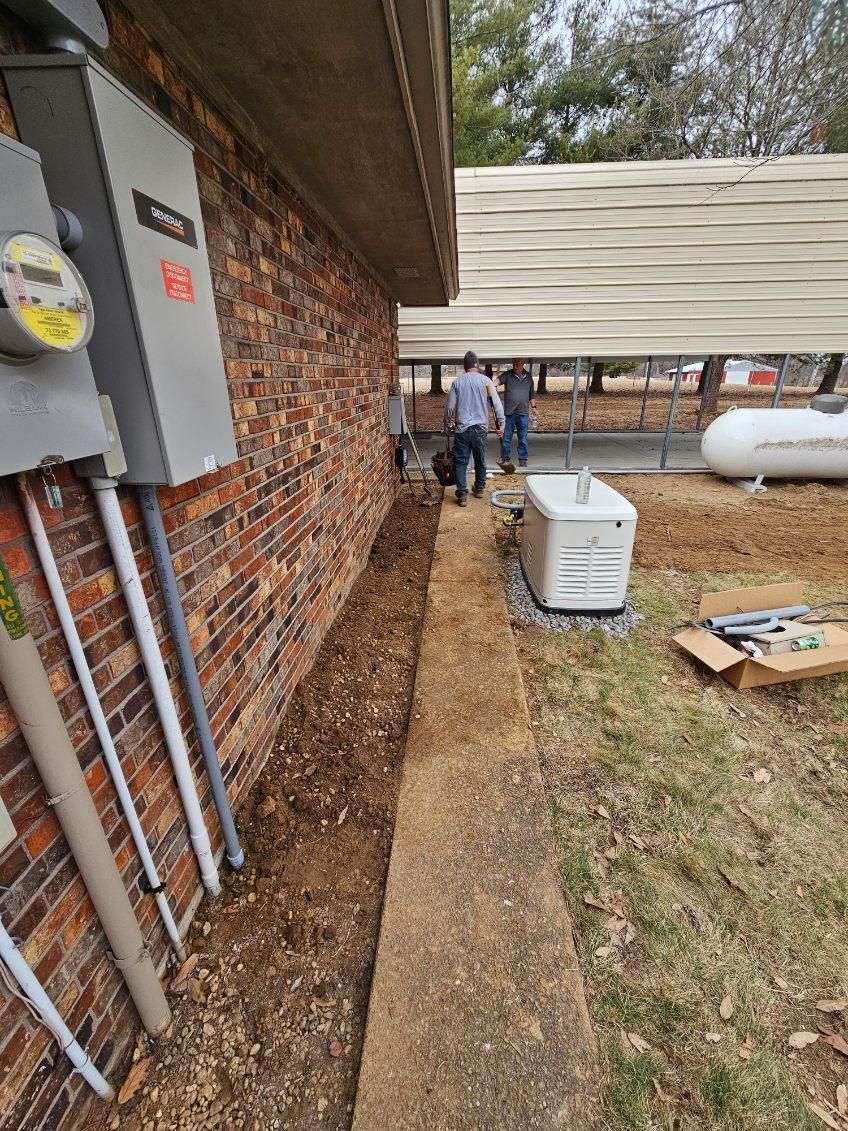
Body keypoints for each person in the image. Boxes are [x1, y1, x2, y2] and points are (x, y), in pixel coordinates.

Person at [443, 351, 504, 506]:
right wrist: (501, 423)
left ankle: (462, 493)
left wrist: (446, 424)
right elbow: (496, 404)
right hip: (480, 429)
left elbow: (450, 407)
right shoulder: (486, 381)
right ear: (478, 365)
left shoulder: (458, 382)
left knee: (461, 461)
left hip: (462, 429)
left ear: (465, 366)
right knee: (480, 460)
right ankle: (479, 488)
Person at [493, 359, 538, 469]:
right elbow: (497, 381)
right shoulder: (508, 375)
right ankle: (505, 458)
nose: (515, 366)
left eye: (517, 364)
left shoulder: (529, 377)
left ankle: (523, 460)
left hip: (523, 413)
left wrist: (534, 407)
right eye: (514, 364)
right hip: (509, 412)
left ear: (523, 365)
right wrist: (494, 386)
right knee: (506, 437)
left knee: (523, 438)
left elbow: (531, 394)